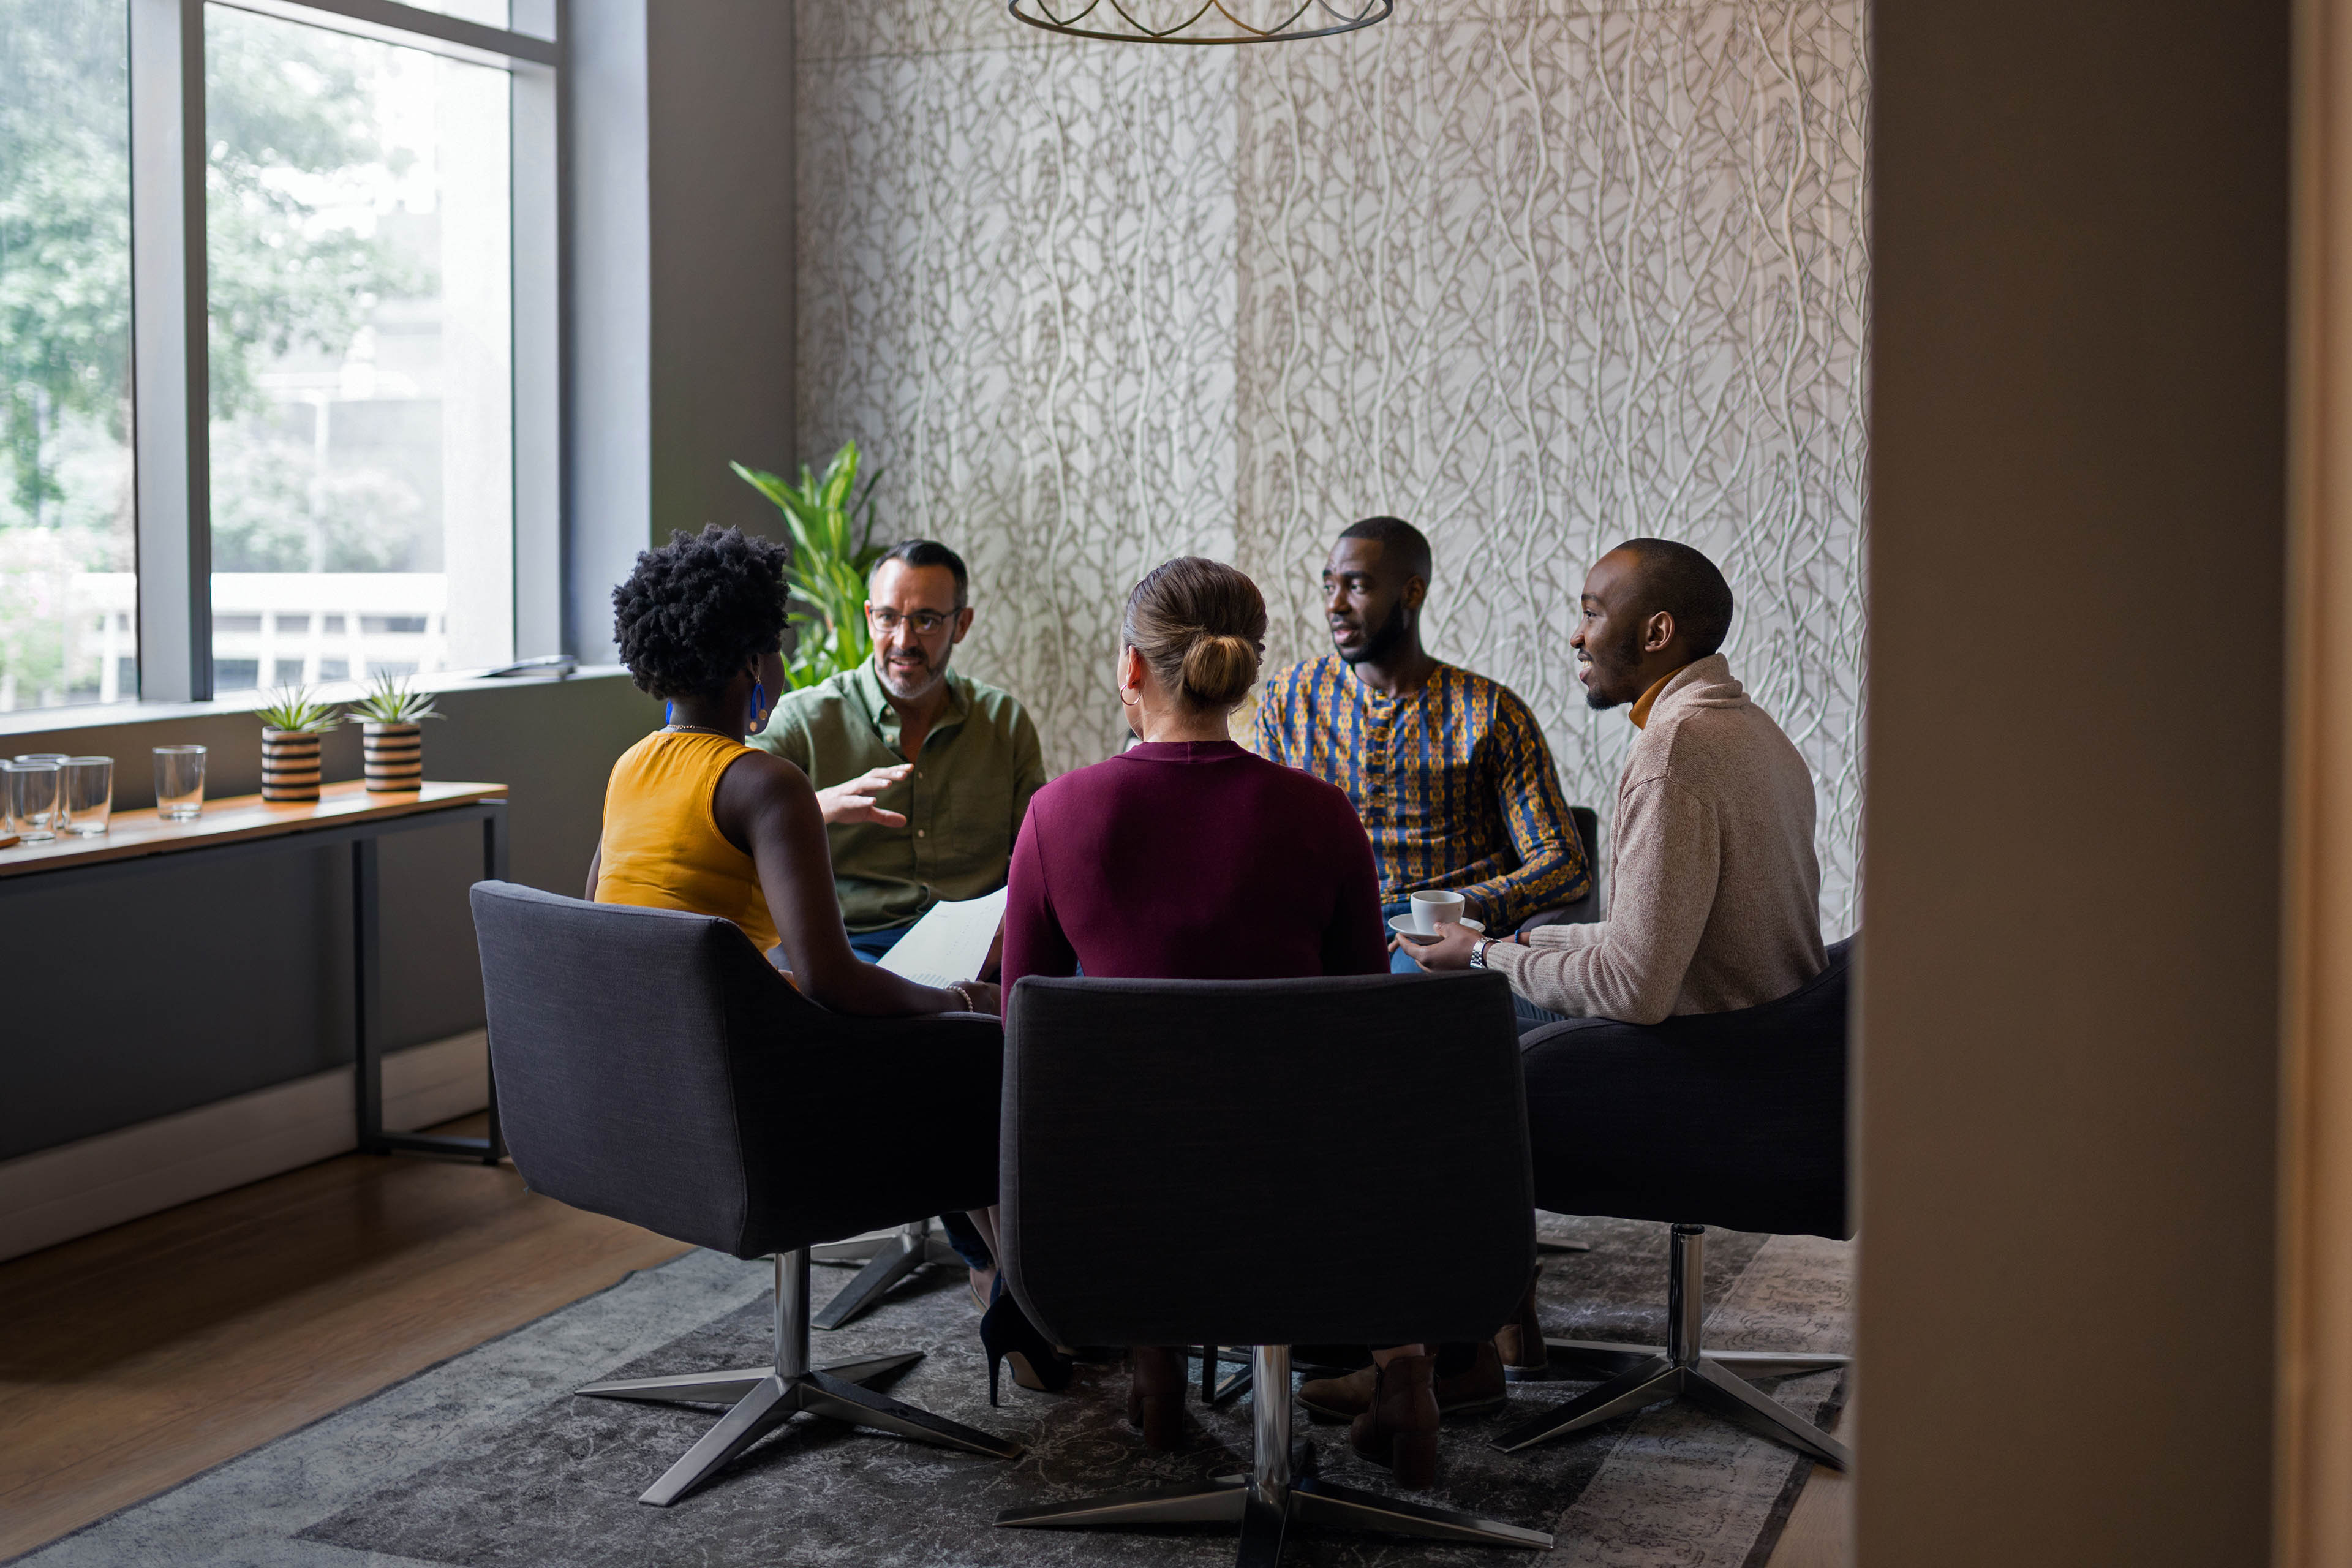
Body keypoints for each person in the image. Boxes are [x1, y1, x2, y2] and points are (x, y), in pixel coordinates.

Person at [978, 557, 1415, 1471]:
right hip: (1307, 1189)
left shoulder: (1059, 815)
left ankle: (1154, 1371)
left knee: (1126, 1118)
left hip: (1115, 1199)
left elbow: (1029, 1037)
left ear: (1132, 669)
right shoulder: (1323, 815)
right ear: (1247, 669)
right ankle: (1404, 1360)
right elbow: (1365, 1030)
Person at [1407, 538, 1826, 1027]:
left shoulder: (1674, 751)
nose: (1576, 637)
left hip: (1718, 1054)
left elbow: (1630, 989)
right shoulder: (1754, 727)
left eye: (1591, 614)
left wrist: (1481, 957)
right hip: (1784, 1032)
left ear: (1657, 633)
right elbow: (1644, 942)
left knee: (1443, 1013)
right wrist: (1514, 942)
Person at [588, 524, 999, 1020]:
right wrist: (965, 999)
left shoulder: (628, 766)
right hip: (723, 1052)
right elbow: (831, 983)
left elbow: (599, 922)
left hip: (628, 1038)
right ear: (755, 663)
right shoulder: (766, 784)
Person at [1254, 516, 1593, 973]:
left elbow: (1563, 862)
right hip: (1317, 924)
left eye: (1355, 586)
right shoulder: (1288, 697)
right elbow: (1265, 839)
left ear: (1411, 593)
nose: (1335, 604)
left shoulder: (1491, 712)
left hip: (1433, 936)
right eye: (1329, 585)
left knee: (1407, 996)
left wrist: (1462, 908)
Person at [749, 538, 1047, 961]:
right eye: (889, 618)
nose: (903, 640)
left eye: (926, 620)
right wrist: (813, 807)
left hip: (982, 945)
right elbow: (725, 826)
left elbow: (1038, 857)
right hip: (855, 947)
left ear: (961, 624)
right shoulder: (804, 722)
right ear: (870, 618)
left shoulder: (1004, 722)